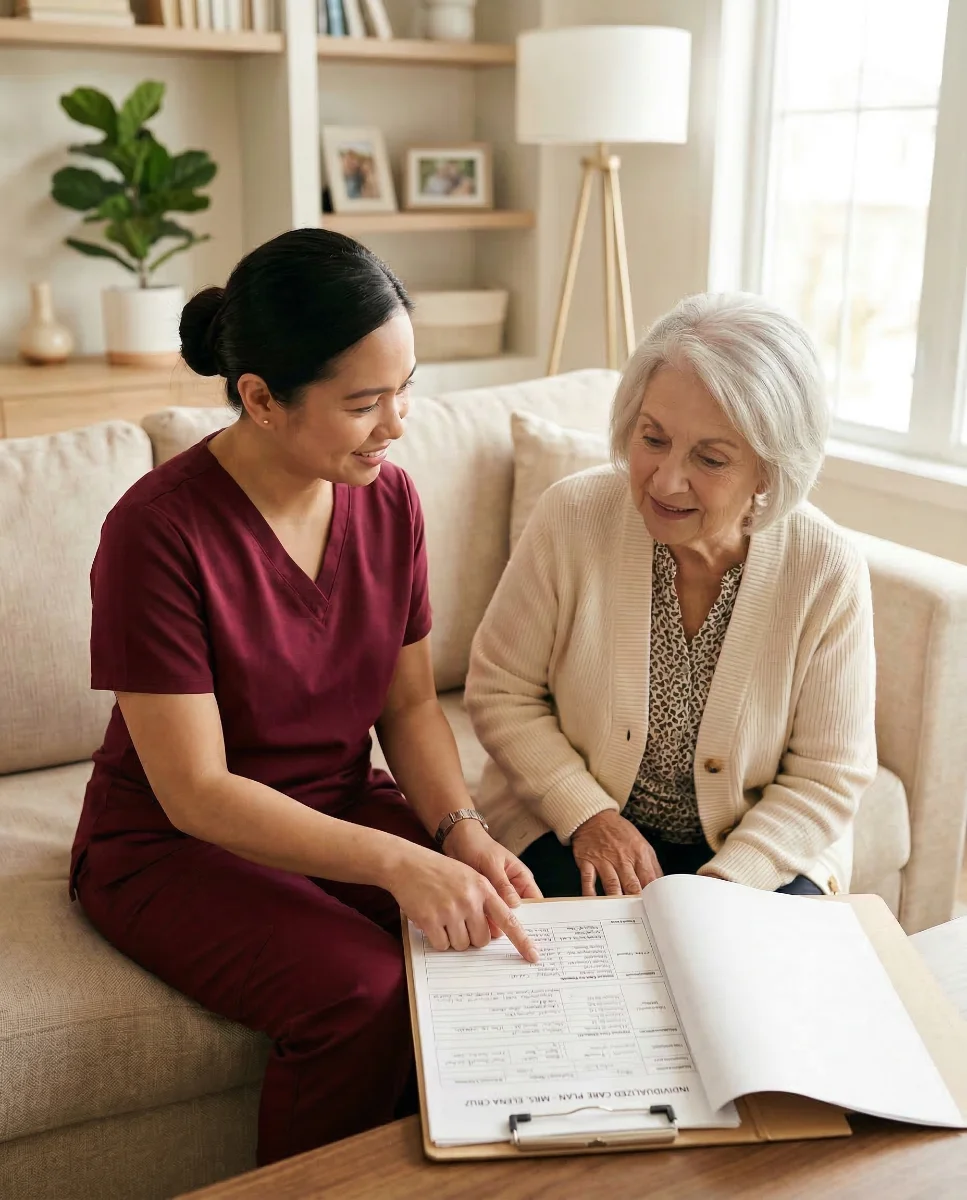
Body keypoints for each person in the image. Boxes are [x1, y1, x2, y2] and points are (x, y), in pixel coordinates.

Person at [69, 228, 540, 1168]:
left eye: (405, 388)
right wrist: (397, 866)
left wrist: (457, 831)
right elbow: (195, 792)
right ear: (260, 398)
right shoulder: (156, 533)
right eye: (365, 402)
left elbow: (407, 708)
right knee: (360, 993)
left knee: (507, 932)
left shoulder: (391, 499)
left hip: (333, 804)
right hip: (169, 846)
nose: (397, 423)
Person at [465, 292, 877, 900]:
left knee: (753, 980)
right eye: (652, 439)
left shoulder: (826, 569)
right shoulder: (571, 516)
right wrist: (589, 814)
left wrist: (728, 884)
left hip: (757, 847)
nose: (666, 480)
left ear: (769, 470)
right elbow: (502, 690)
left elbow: (827, 774)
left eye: (710, 458)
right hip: (570, 824)